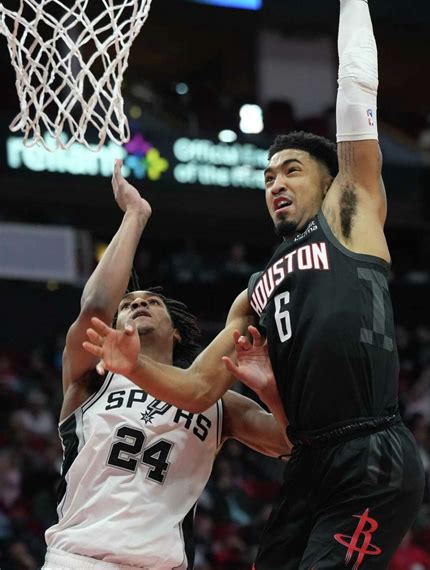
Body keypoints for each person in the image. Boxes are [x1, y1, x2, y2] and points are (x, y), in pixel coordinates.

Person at [84, 0, 425, 569]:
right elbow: (193, 390)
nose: (275, 183)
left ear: (329, 181)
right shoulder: (255, 295)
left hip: (371, 451)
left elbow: (357, 91)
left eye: (291, 170)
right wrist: (133, 367)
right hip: (314, 462)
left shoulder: (350, 214)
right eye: (267, 175)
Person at [42, 160, 290, 570]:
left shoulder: (217, 400)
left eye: (152, 303)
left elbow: (287, 443)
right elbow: (94, 307)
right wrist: (135, 216)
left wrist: (270, 392)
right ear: (116, 326)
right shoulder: (94, 378)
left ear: (175, 332)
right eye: (129, 305)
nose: (139, 303)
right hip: (79, 558)